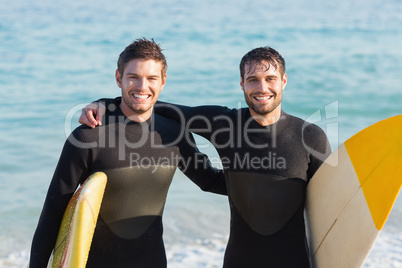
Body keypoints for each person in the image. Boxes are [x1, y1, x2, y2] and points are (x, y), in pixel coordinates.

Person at [80, 46, 332, 267]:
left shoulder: (310, 137)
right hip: (238, 262)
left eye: (270, 78)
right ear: (242, 84)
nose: (262, 87)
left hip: (295, 262)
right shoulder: (224, 124)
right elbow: (159, 107)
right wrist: (106, 104)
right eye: (253, 79)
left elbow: (333, 207)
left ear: (284, 81)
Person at [29, 38, 227, 268]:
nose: (143, 87)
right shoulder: (88, 137)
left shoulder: (174, 133)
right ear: (118, 78)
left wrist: (269, 181)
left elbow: (210, 180)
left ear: (163, 82)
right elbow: (52, 214)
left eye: (152, 78)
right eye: (133, 77)